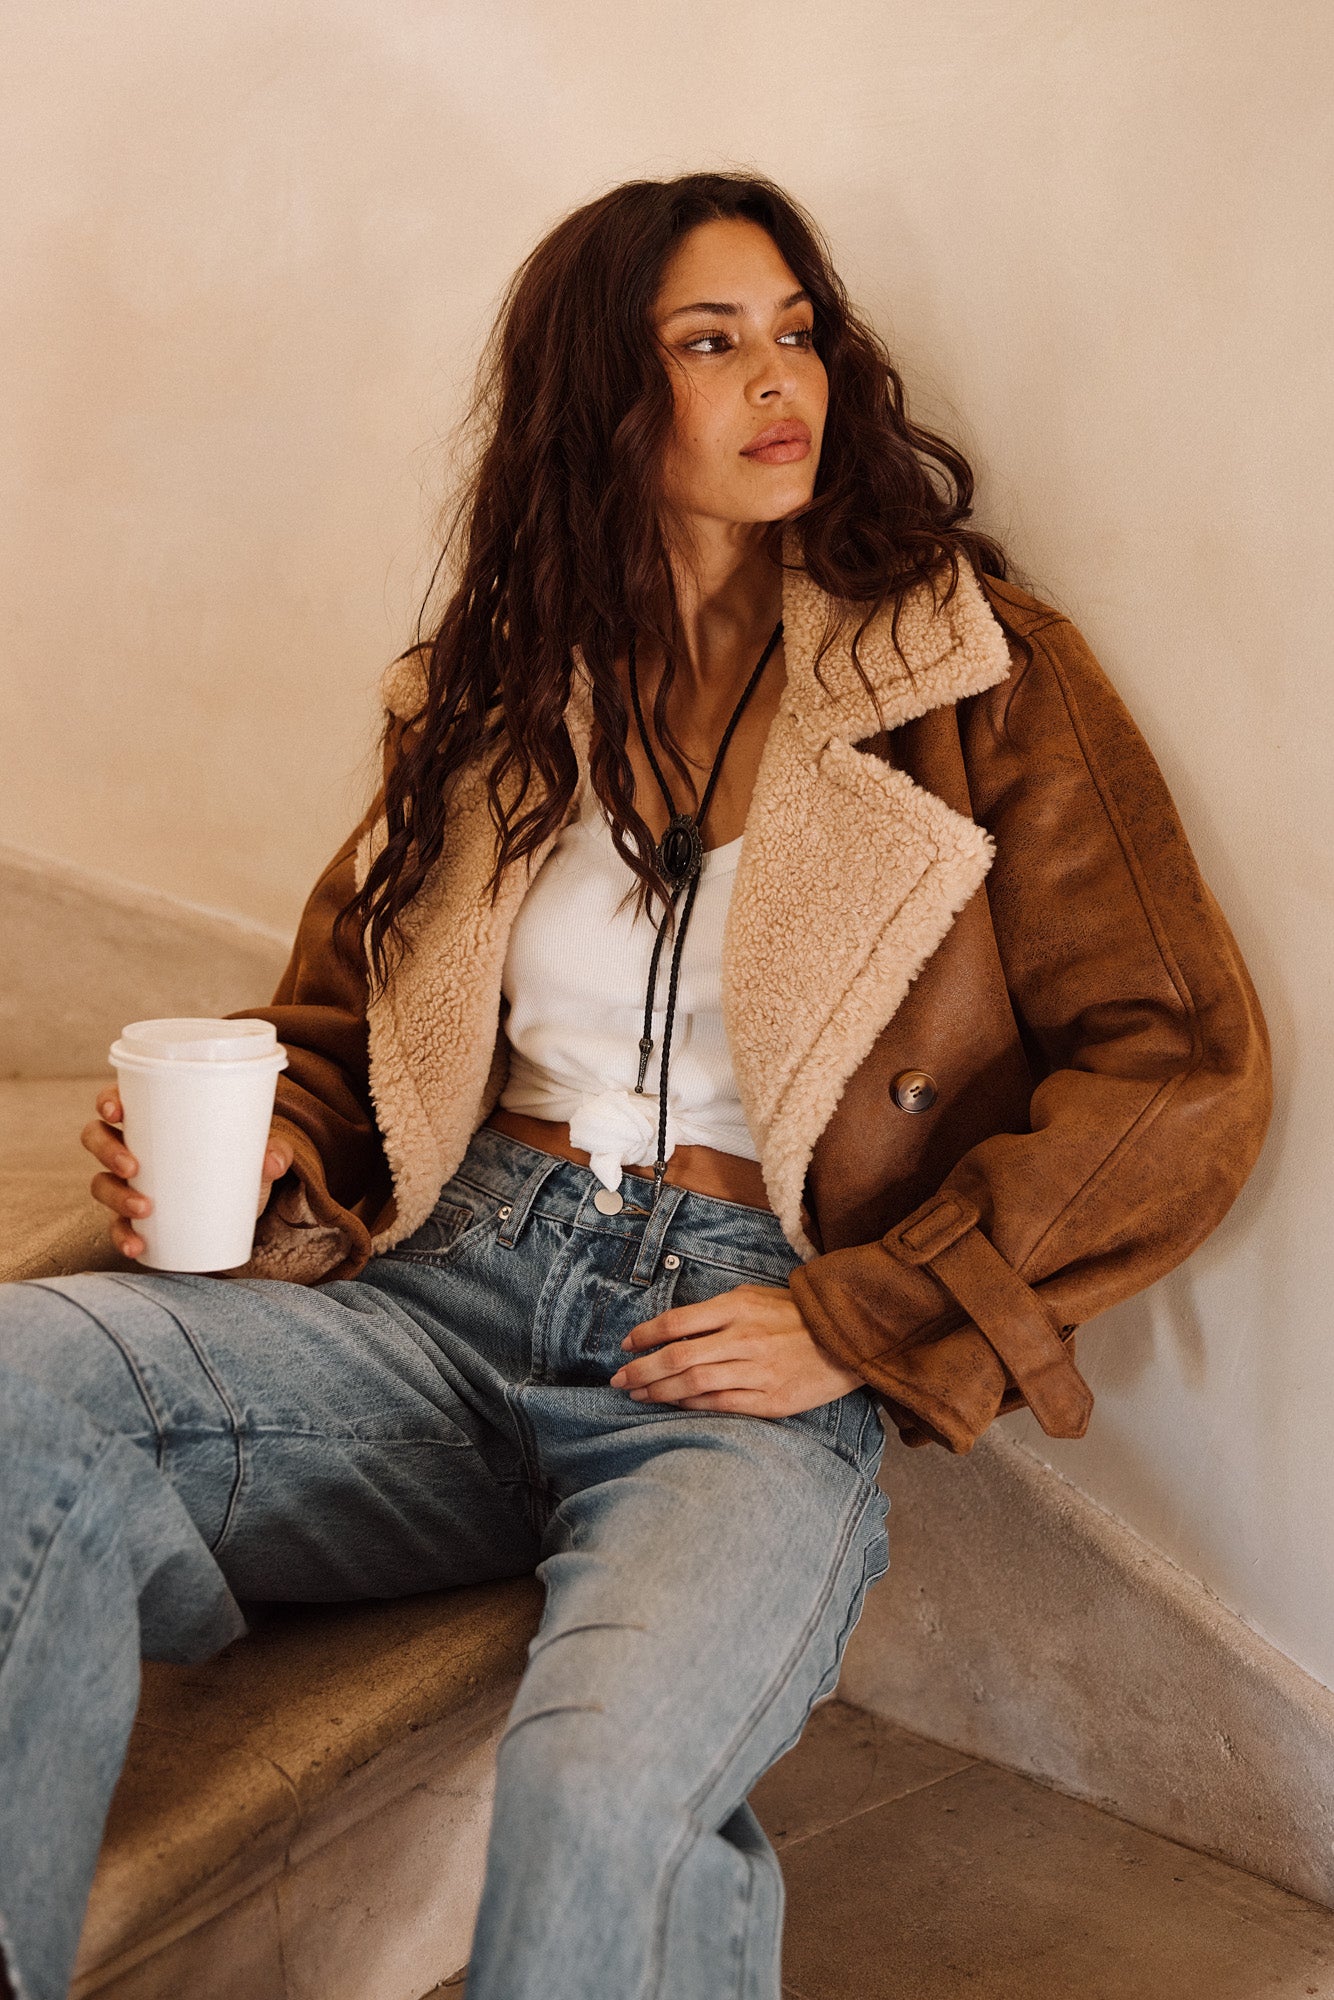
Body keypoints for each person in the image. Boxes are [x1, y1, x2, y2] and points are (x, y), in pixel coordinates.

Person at [0, 171, 1270, 2000]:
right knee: (25, 1376)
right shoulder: (492, 691)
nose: (778, 378)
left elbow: (1174, 1061)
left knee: (601, 1793)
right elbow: (343, 1023)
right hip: (444, 1301)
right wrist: (277, 1138)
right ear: (601, 395)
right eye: (708, 340)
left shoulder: (971, 676)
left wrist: (866, 1316)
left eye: (795, 332)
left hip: (741, 1358)